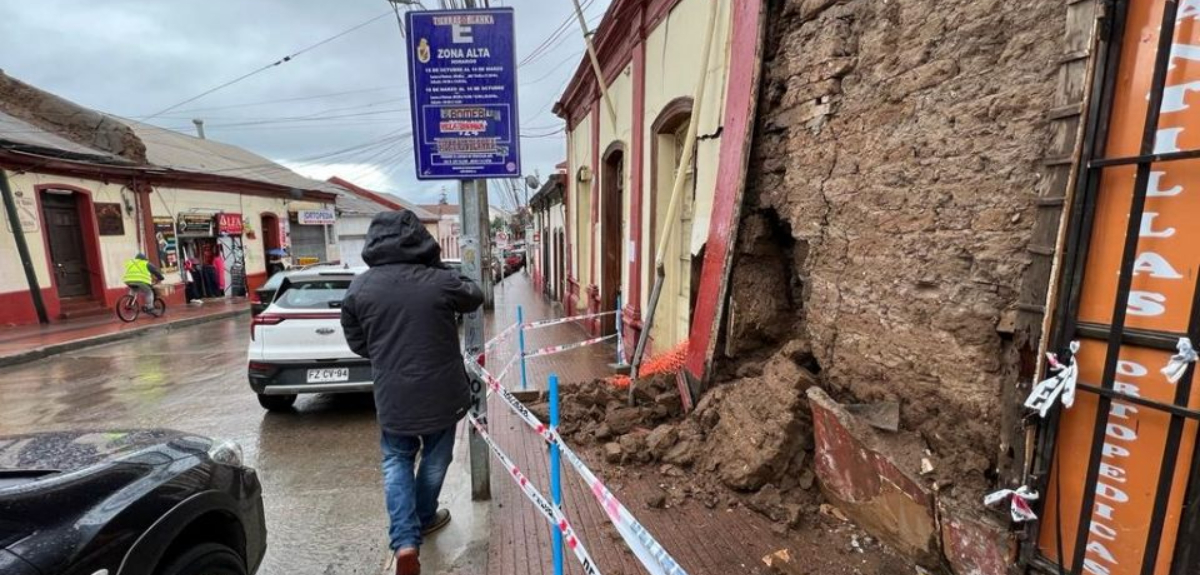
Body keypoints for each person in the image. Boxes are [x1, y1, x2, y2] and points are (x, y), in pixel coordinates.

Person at [340, 210, 483, 575]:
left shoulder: (360, 287)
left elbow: (358, 341)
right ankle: (422, 517)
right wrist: (438, 266)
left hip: (393, 396)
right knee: (436, 459)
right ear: (421, 240)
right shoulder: (438, 281)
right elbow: (475, 295)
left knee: (396, 461)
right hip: (444, 394)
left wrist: (389, 354)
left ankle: (405, 542)